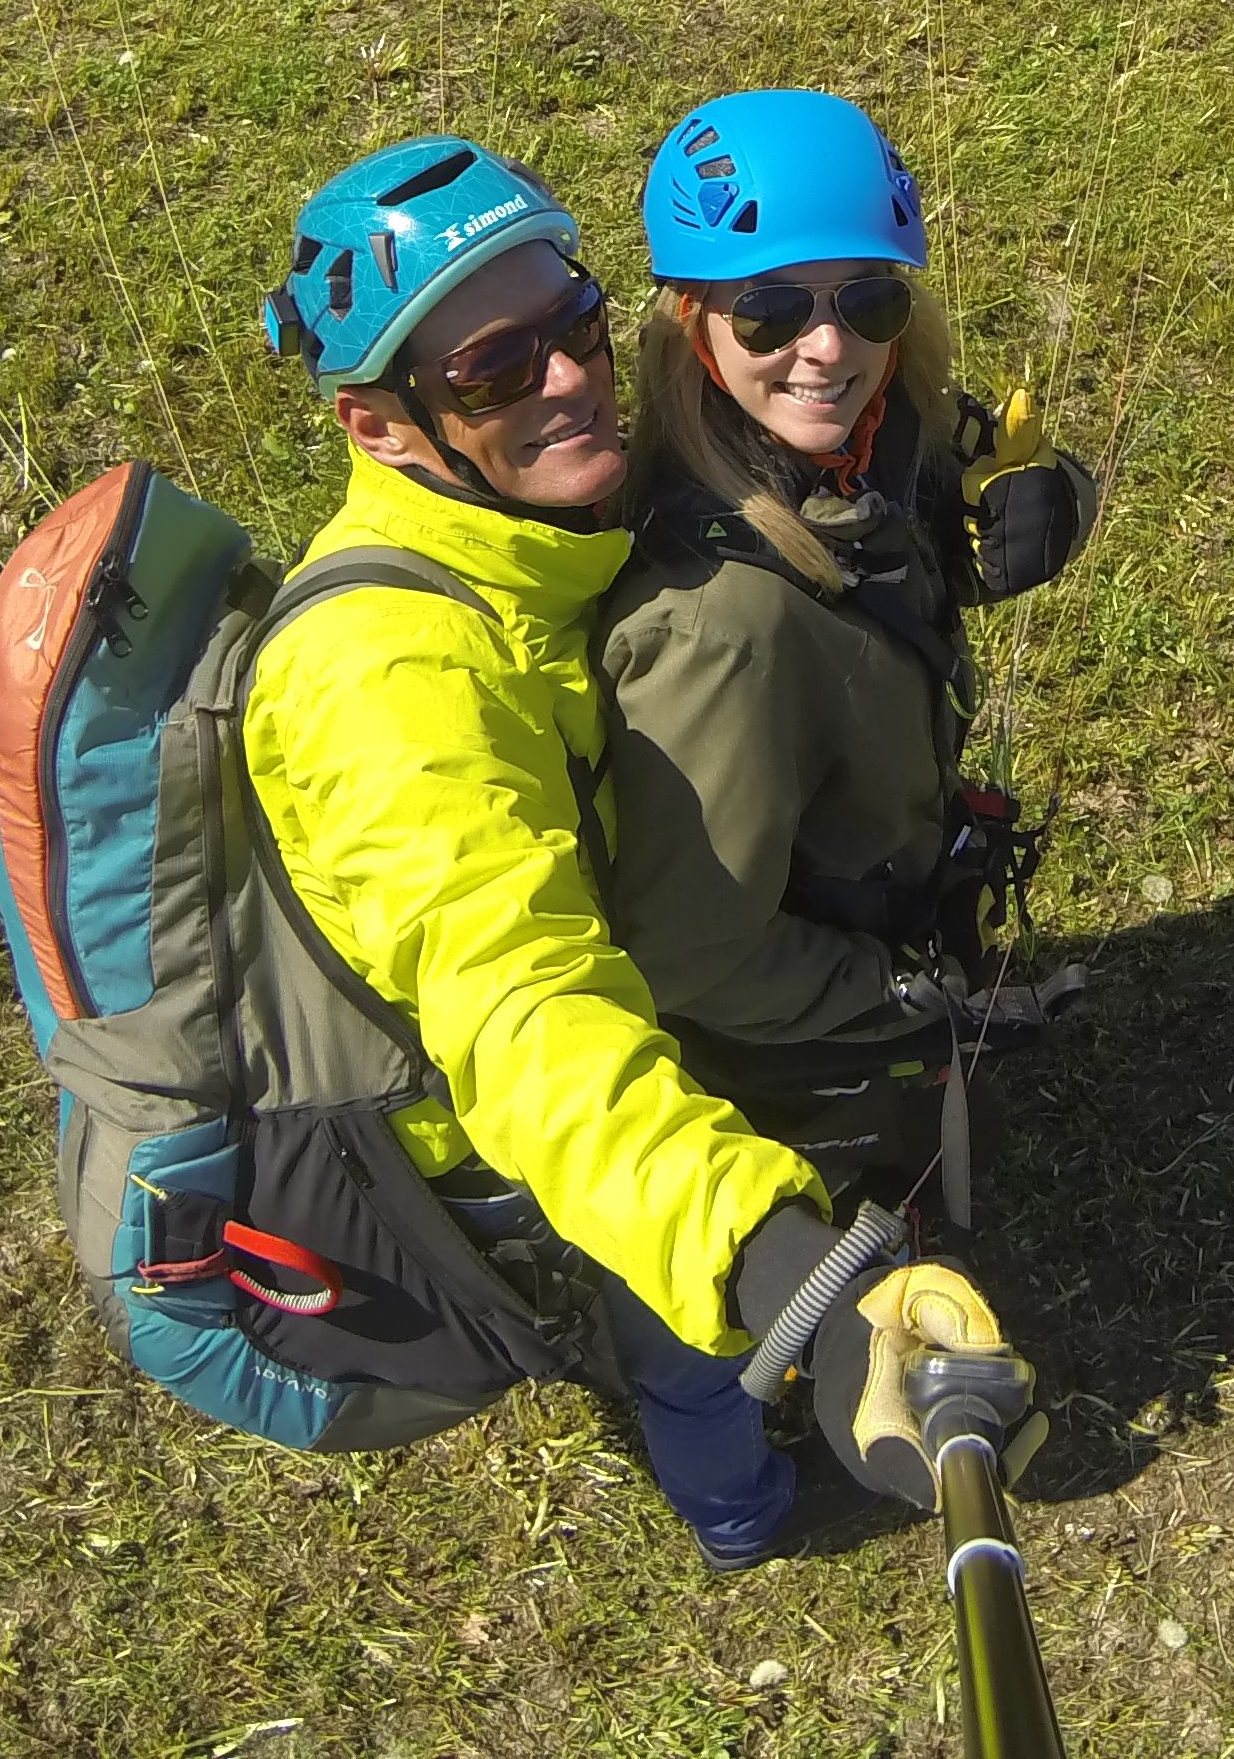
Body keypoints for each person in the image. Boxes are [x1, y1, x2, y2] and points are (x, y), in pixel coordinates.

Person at [242, 133, 932, 1568]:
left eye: (573, 329)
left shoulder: (524, 526)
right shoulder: (389, 690)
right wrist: (763, 1251)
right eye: (494, 374)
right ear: (377, 428)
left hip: (634, 1023)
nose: (566, 380)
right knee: (687, 1354)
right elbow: (521, 1014)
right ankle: (743, 1521)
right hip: (513, 1140)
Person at [596, 90, 1102, 1214]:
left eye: (868, 299)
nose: (829, 350)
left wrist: (1034, 506)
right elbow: (694, 957)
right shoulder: (713, 627)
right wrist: (904, 994)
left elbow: (889, 567)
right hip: (801, 1052)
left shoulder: (859, 439)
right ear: (695, 322)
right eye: (772, 313)